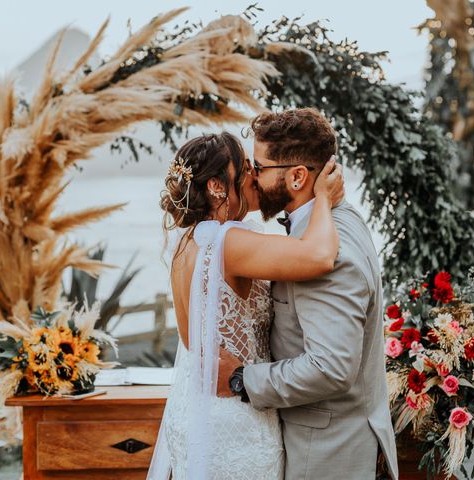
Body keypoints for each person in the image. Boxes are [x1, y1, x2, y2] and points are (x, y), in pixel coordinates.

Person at [147, 130, 344, 479]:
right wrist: (323, 199)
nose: (255, 175)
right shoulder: (226, 241)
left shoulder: (185, 241)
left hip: (194, 412)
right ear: (217, 186)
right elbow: (319, 256)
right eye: (246, 168)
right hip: (235, 419)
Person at [217, 108, 399, 480]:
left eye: (259, 167)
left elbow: (330, 367)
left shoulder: (328, 255)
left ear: (298, 176)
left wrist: (242, 379)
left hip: (328, 454)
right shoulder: (337, 218)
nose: (251, 175)